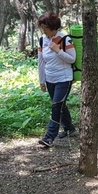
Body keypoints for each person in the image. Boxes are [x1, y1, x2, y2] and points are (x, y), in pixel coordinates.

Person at [37, 12, 78, 148]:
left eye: (45, 27)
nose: (44, 30)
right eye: (42, 27)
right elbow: (41, 62)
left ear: (53, 27)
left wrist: (57, 51)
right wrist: (42, 80)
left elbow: (72, 59)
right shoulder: (43, 40)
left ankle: (49, 137)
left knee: (56, 107)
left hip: (64, 78)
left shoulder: (65, 38)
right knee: (60, 105)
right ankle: (69, 128)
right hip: (50, 79)